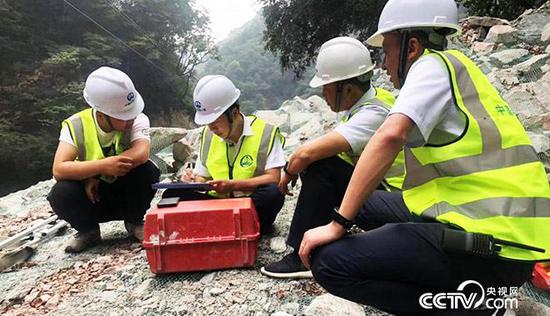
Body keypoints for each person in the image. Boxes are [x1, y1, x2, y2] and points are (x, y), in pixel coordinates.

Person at [298, 0, 550, 315]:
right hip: (497, 229)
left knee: (330, 264)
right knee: (362, 203)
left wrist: (338, 224)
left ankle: (470, 307)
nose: (384, 65)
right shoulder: (458, 69)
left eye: (387, 50)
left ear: (412, 46)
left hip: (498, 247)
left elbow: (390, 135)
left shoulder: (431, 67)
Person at [261, 36, 405, 279]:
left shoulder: (373, 114)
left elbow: (306, 153)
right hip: (389, 195)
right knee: (320, 162)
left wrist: (288, 173)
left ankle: (301, 256)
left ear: (346, 88)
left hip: (396, 201)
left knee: (319, 163)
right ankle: (321, 231)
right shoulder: (365, 104)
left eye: (326, 87)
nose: (324, 94)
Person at [48, 66, 159, 253]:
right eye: (123, 117)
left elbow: (141, 153)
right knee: (61, 192)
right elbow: (59, 169)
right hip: (92, 199)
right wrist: (102, 166)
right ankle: (88, 231)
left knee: (147, 170)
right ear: (101, 114)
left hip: (123, 193)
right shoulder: (76, 126)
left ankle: (134, 222)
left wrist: (98, 175)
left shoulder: (137, 119)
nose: (130, 120)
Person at [162, 75, 285, 233]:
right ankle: (235, 227)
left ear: (234, 113)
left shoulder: (266, 133)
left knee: (273, 193)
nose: (212, 128)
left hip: (250, 202)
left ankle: (217, 227)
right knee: (171, 194)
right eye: (208, 123)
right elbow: (202, 177)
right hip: (217, 202)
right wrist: (192, 180)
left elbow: (274, 178)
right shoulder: (208, 135)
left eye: (215, 121)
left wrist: (233, 185)